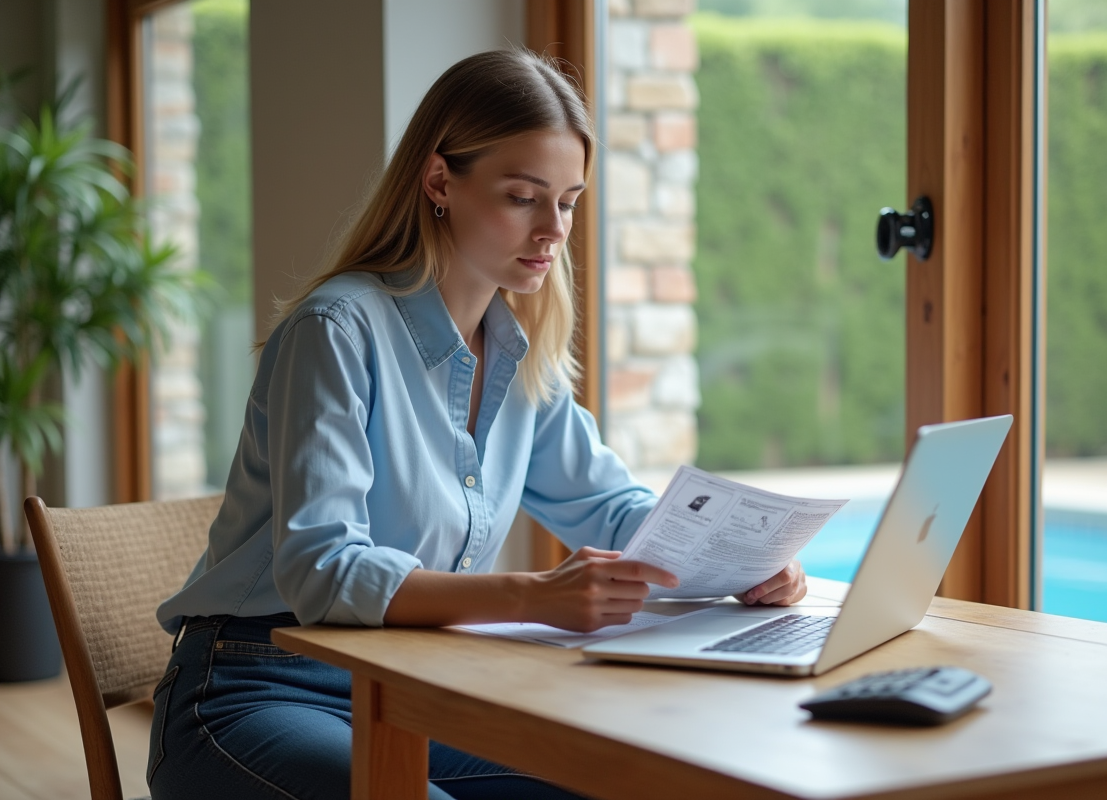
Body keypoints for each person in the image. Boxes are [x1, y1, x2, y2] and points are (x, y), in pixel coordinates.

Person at [149, 49, 807, 800]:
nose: (553, 229)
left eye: (567, 201)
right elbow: (321, 568)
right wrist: (532, 596)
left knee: (627, 783)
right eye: (523, 197)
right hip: (251, 694)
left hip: (416, 691)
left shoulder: (520, 356)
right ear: (439, 182)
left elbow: (612, 509)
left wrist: (738, 555)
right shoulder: (336, 330)